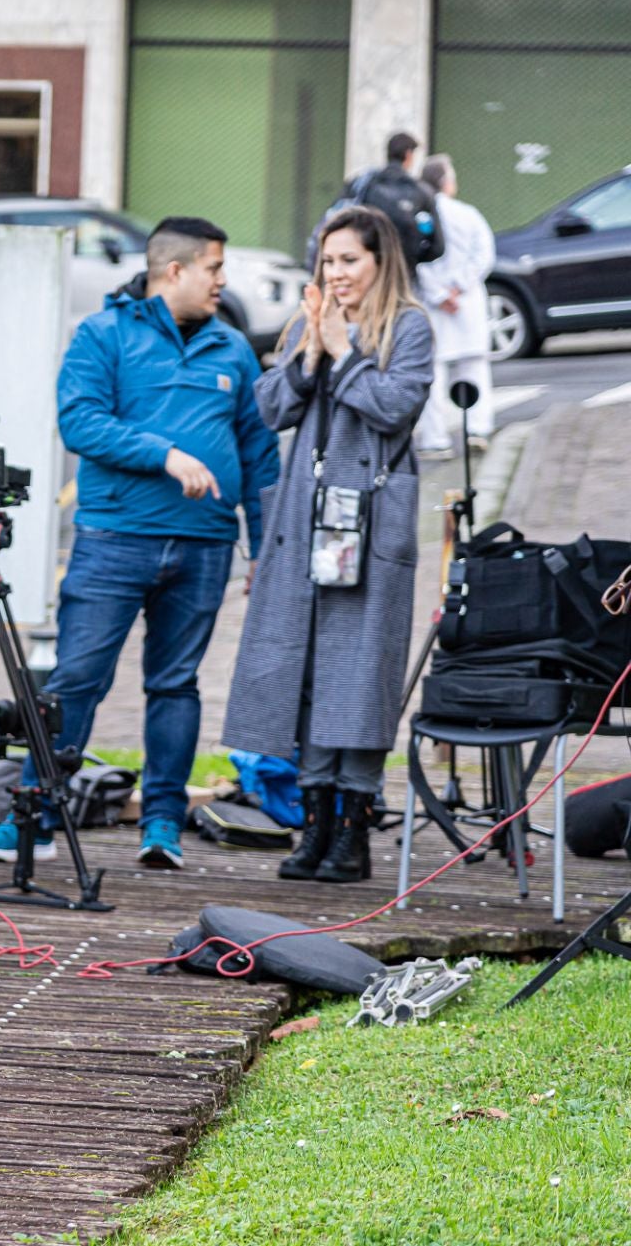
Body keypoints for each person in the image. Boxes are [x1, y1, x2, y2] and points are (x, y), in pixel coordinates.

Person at [0, 218, 278, 871]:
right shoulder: (103, 335)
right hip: (114, 538)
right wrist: (165, 454)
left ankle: (162, 823)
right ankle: (35, 818)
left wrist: (265, 546)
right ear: (175, 271)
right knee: (78, 678)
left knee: (176, 683)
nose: (224, 281)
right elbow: (81, 422)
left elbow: (258, 452)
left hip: (204, 545)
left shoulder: (233, 348)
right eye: (214, 269)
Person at [226, 205, 434, 884]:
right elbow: (270, 409)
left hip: (367, 525)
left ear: (381, 261)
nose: (336, 273)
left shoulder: (409, 325)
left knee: (360, 673)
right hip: (305, 522)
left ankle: (352, 832)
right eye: (328, 260)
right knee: (307, 671)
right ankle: (313, 825)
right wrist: (311, 352)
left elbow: (395, 405)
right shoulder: (312, 322)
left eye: (349, 259)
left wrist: (342, 350)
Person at [413, 154, 497, 457]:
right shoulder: (468, 214)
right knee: (473, 367)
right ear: (446, 182)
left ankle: (435, 439)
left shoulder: (420, 218)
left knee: (432, 373)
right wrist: (459, 287)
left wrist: (439, 293)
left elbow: (416, 260)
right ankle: (477, 428)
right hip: (467, 301)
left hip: (434, 305)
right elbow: (484, 255)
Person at [308, 132, 443, 280]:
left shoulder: (361, 185)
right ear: (409, 155)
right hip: (402, 276)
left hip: (365, 277)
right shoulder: (421, 193)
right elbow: (437, 247)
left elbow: (334, 222)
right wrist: (407, 258)